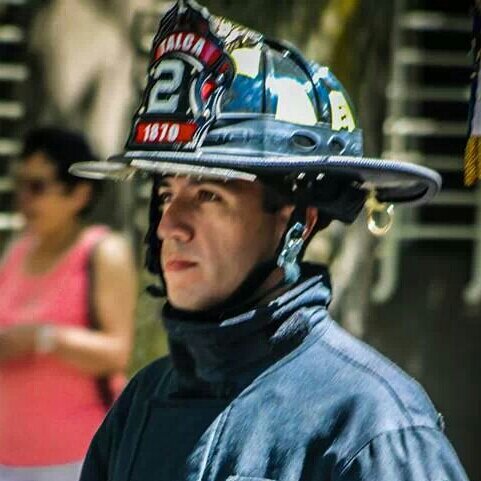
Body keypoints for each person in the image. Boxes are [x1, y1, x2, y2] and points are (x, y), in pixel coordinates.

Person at [74, 2, 469, 480]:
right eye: (165, 192)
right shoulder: (141, 404)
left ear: (296, 217)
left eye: (207, 194)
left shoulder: (373, 425)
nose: (169, 226)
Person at [0, 127, 136, 481]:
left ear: (80, 193)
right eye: (21, 185)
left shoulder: (104, 252)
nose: (23, 200)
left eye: (38, 187)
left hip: (78, 461)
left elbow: (116, 352)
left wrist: (42, 338)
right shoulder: (17, 250)